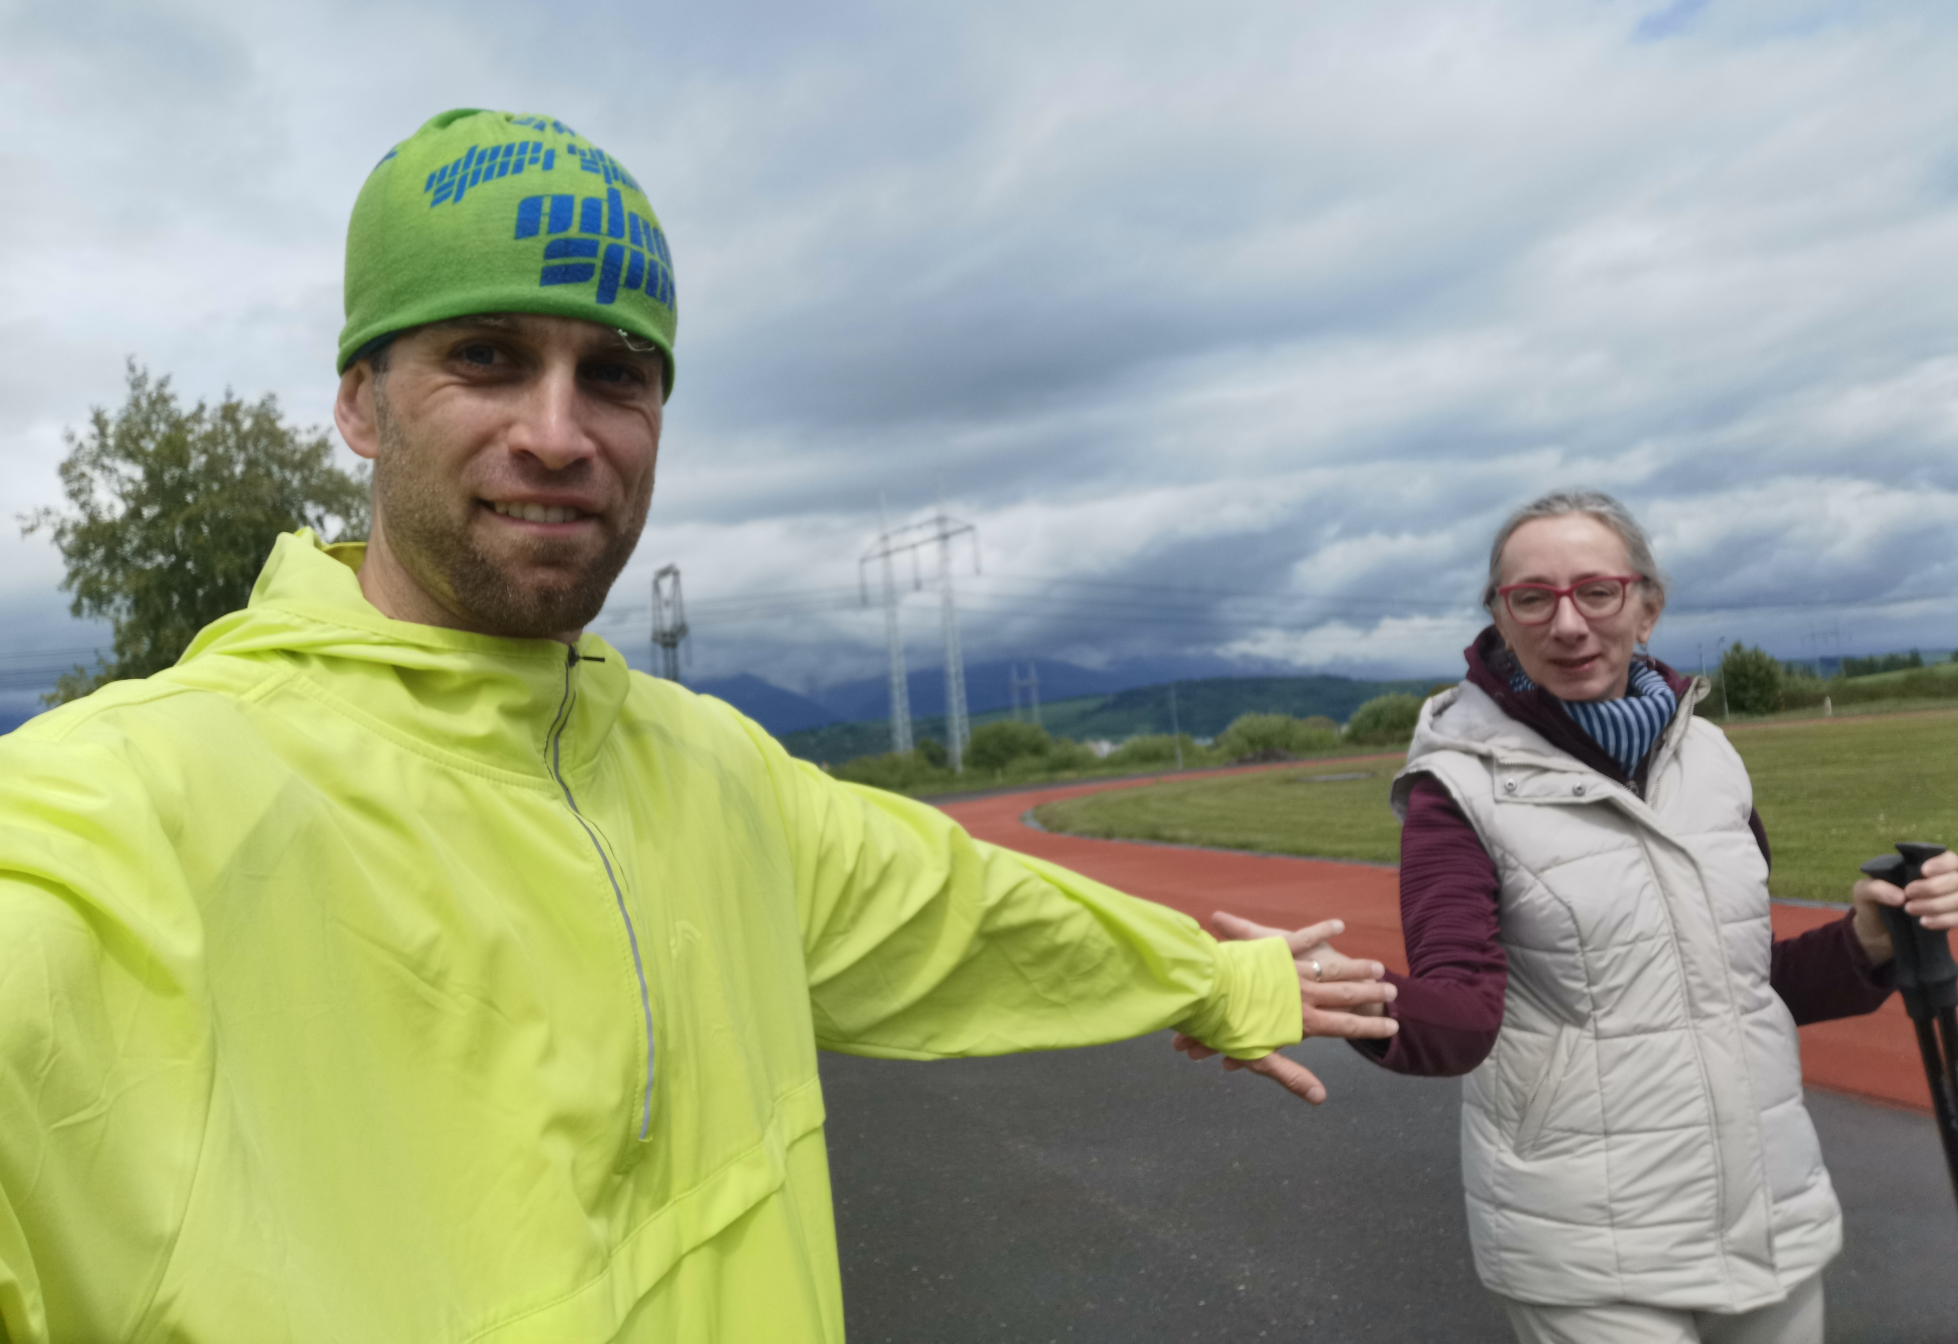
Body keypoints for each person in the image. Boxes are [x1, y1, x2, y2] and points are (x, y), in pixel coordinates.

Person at [0, 109, 1399, 1343]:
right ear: (361, 402)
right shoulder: (127, 808)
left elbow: (959, 905)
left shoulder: (711, 769)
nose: (559, 433)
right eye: (486, 356)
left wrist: (1212, 977)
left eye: (615, 373)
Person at [1211, 489, 1958, 1344]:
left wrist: (1870, 939)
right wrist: (1341, 989)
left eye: (1597, 591)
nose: (1568, 623)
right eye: (1533, 597)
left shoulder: (1710, 756)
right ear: (1501, 618)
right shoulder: (1456, 788)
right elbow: (1461, 1017)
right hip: (1589, 1246)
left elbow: (1737, 984)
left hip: (1767, 1214)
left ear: (1647, 607)